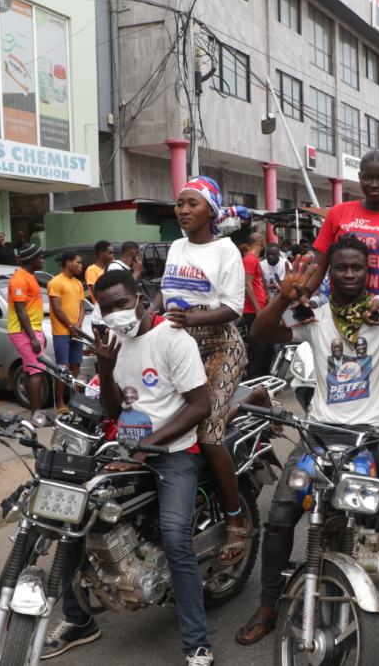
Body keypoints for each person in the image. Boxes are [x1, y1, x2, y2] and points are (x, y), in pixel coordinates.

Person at [238, 235, 379, 651]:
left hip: (377, 436)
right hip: (319, 436)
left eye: (356, 268)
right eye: (340, 267)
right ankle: (269, 605)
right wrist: (283, 298)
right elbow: (260, 332)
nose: (347, 274)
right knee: (280, 517)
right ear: (330, 273)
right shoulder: (315, 317)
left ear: (367, 272)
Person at [42, 269, 215, 666]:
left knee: (175, 537)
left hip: (174, 453)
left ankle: (197, 644)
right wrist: (104, 369)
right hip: (125, 450)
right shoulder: (112, 342)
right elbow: (116, 410)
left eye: (122, 303)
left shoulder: (173, 339)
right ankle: (78, 620)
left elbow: (200, 406)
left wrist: (143, 450)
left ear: (140, 297)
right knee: (71, 518)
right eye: (106, 308)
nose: (116, 313)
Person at [300, 150, 379, 476]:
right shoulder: (339, 214)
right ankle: (333, 476)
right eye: (368, 177)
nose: (374, 184)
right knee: (336, 392)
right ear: (359, 178)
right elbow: (319, 265)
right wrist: (303, 294)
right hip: (338, 319)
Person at [150, 176, 249, 566]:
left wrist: (191, 319)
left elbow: (234, 308)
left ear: (212, 210)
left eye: (192, 203)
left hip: (220, 345)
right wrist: (145, 313)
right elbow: (166, 291)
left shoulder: (227, 250)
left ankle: (236, 517)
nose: (183, 210)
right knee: (160, 426)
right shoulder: (176, 246)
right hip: (178, 343)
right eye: (179, 203)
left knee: (207, 435)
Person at [7, 244, 47, 422]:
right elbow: (21, 311)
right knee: (37, 370)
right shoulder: (19, 279)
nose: (43, 260)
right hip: (23, 331)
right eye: (40, 257)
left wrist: (39, 333)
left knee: (30, 370)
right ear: (31, 259)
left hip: (32, 329)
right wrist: (32, 337)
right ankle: (36, 414)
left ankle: (35, 412)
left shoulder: (30, 277)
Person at [47, 251, 86, 414]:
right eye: (78, 262)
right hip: (62, 332)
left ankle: (75, 401)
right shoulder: (55, 282)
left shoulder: (78, 283)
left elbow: (82, 307)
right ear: (68, 263)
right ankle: (61, 403)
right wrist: (72, 327)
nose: (81, 266)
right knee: (62, 368)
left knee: (76, 366)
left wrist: (78, 326)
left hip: (76, 332)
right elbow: (57, 308)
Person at [242, 232, 269, 379]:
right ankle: (253, 384)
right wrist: (258, 309)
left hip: (258, 309)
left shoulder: (254, 259)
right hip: (253, 311)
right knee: (257, 351)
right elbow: (247, 285)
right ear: (262, 243)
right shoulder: (250, 260)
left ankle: (262, 382)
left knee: (264, 349)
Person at [85, 240, 115, 338]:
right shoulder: (91, 270)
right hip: (101, 316)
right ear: (101, 254)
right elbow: (96, 294)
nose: (112, 256)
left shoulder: (110, 268)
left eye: (113, 253)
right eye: (110, 253)